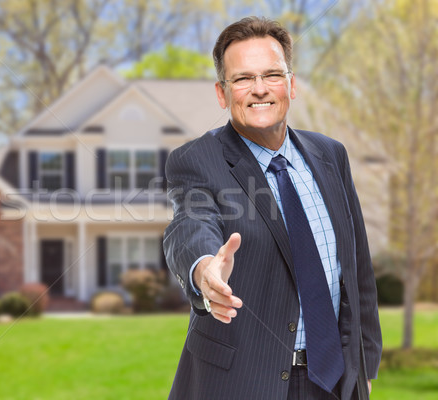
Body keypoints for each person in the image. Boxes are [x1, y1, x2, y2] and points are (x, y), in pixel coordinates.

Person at [163, 16, 382, 400]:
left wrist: (364, 367)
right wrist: (203, 271)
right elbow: (189, 225)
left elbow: (357, 266)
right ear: (222, 93)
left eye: (272, 75)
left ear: (291, 84)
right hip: (243, 383)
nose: (260, 90)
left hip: (334, 381)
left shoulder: (331, 155)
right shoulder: (197, 160)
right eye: (243, 78)